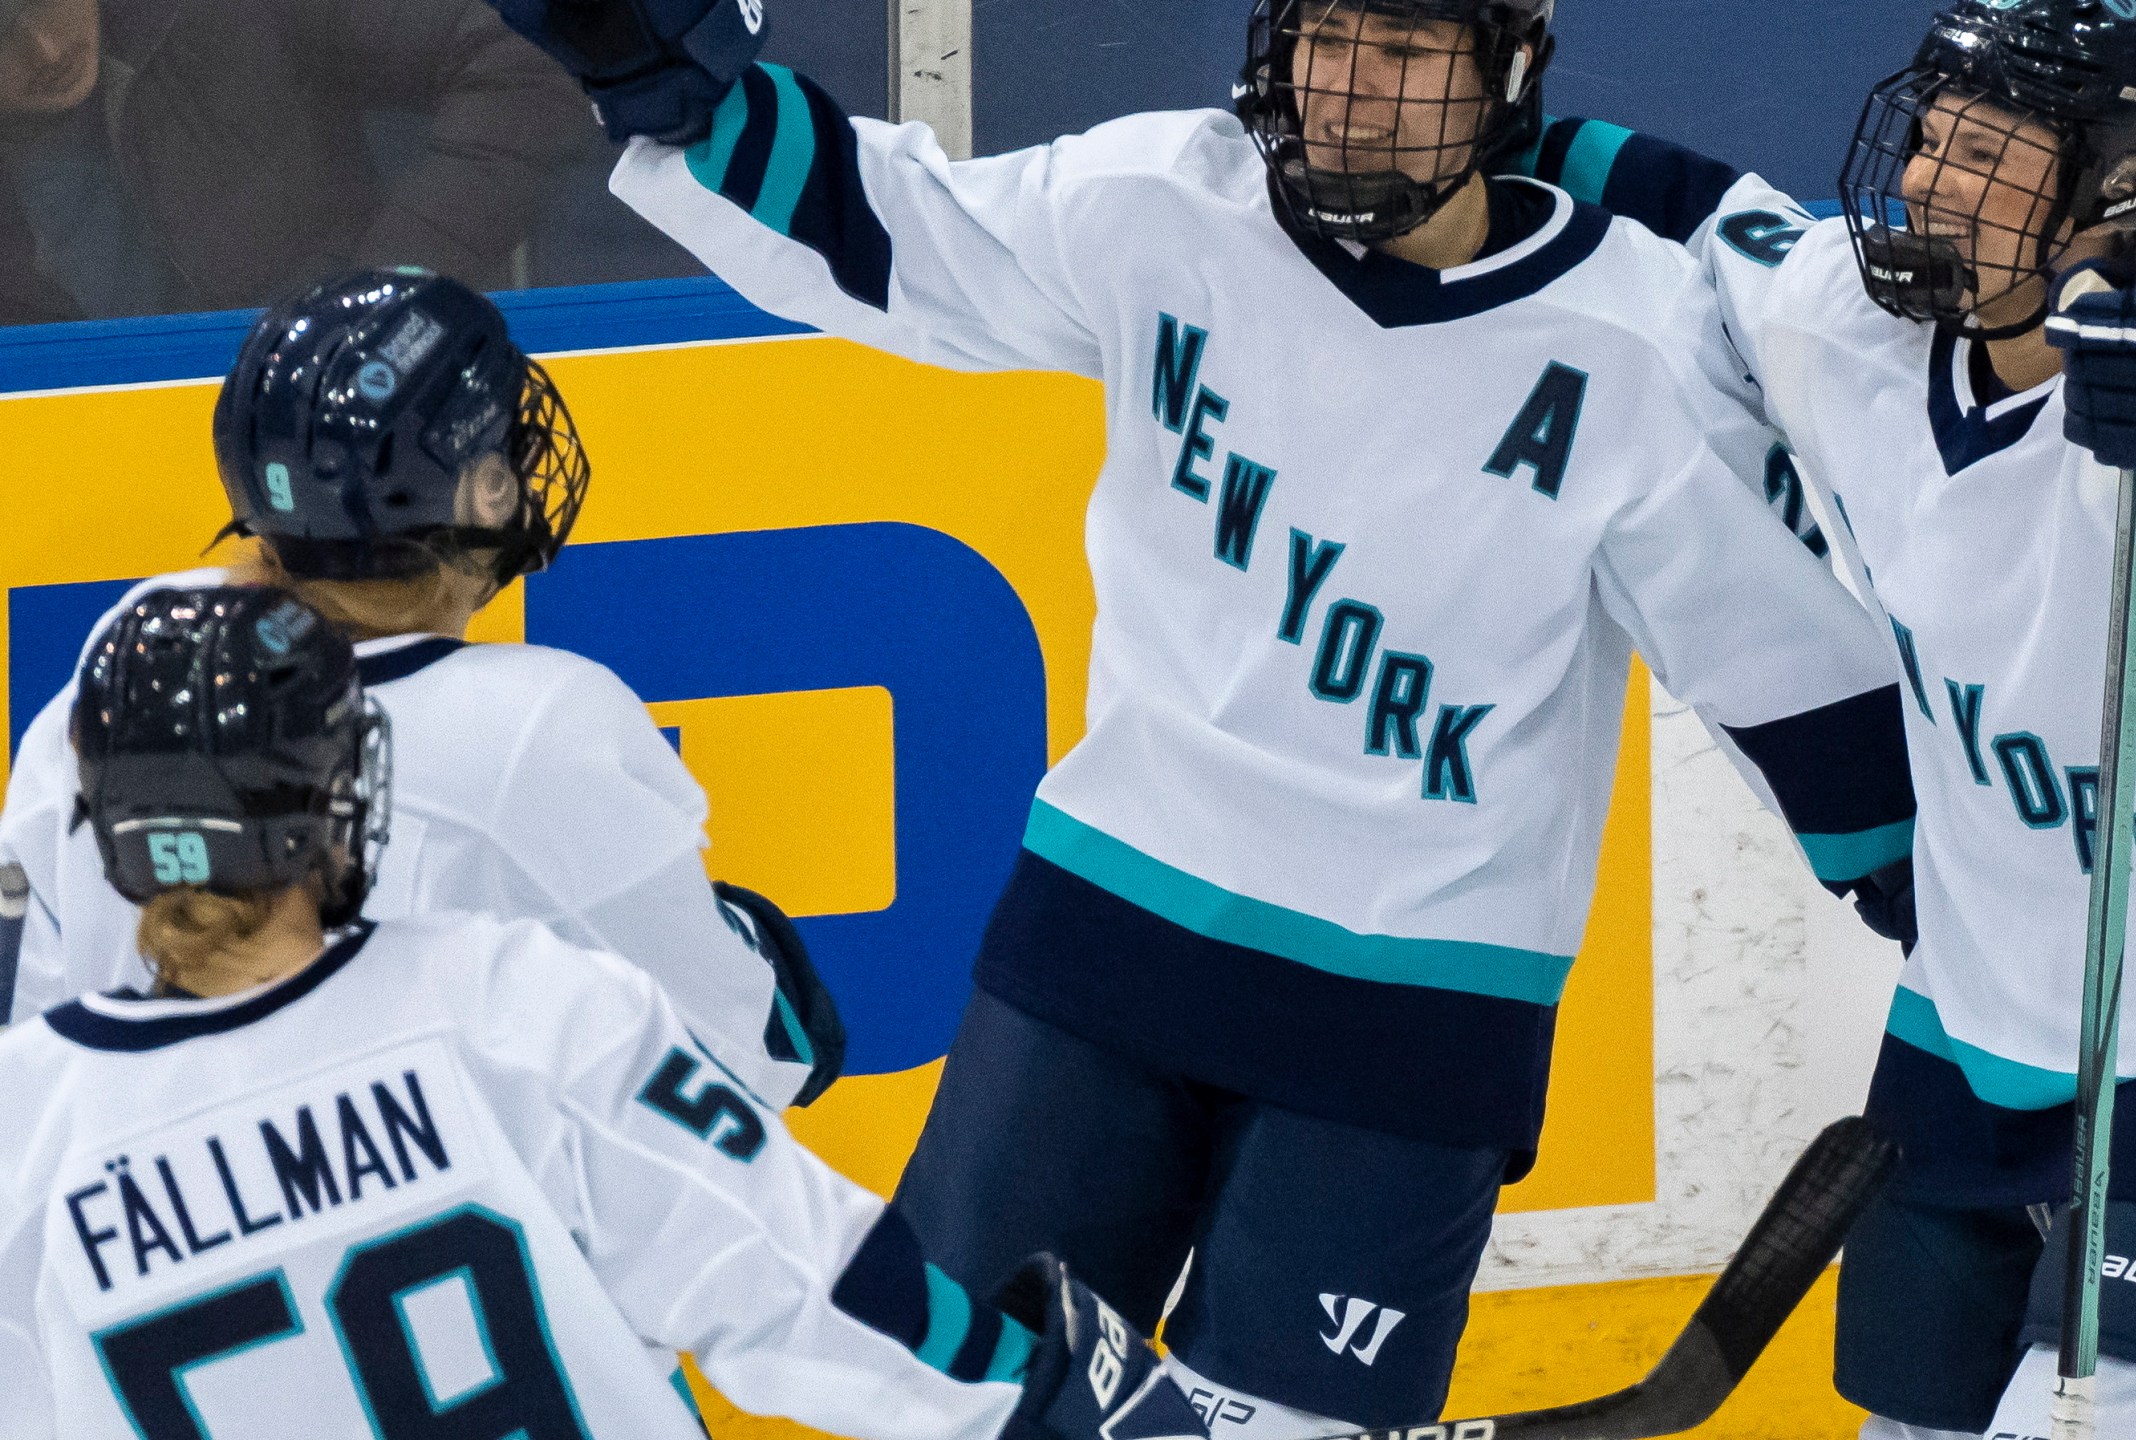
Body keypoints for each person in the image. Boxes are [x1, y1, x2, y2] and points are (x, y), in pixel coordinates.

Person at [483, 0, 1924, 1434]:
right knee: (938, 1402)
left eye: (1408, 54)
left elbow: (1793, 677)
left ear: (1508, 79)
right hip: (1101, 955)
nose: (1351, 91)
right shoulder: (1167, 199)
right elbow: (886, 226)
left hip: (1411, 1025)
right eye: (1327, 39)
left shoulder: (1634, 336)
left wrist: (1969, 930)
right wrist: (668, 87)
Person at [1515, 2, 2136, 1435]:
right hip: (1970, 1038)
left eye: (1981, 154)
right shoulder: (1847, 322)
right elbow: (1703, 215)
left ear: (2109, 188)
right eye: (1931, 139)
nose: (1920, 182)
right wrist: (1479, 120)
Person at [0, 583, 1211, 1440]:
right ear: (340, 789)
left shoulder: (25, 1130)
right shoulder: (512, 1006)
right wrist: (1071, 1401)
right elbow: (822, 1294)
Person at [0, 266, 842, 1111]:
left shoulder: (128, 655)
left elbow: (32, 1032)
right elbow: (746, 1055)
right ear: (483, 489)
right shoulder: (539, 727)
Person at [0, 0, 594, 324]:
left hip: (372, 413)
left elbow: (523, 51)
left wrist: (387, 295)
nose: (46, 48)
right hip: (101, 464)